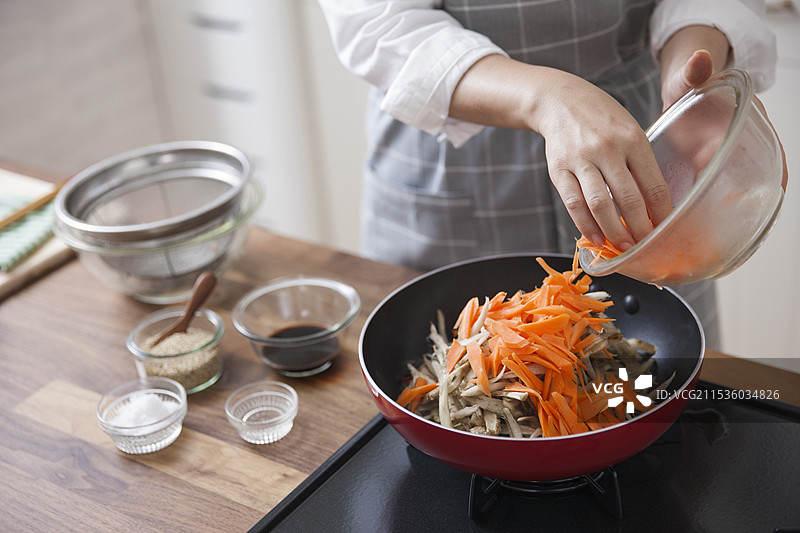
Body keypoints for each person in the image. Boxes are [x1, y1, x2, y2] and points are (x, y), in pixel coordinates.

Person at [317, 0, 779, 348]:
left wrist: (692, 71)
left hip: (638, 135)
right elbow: (377, 23)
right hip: (451, 140)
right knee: (445, 361)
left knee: (664, 381)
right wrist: (546, 97)